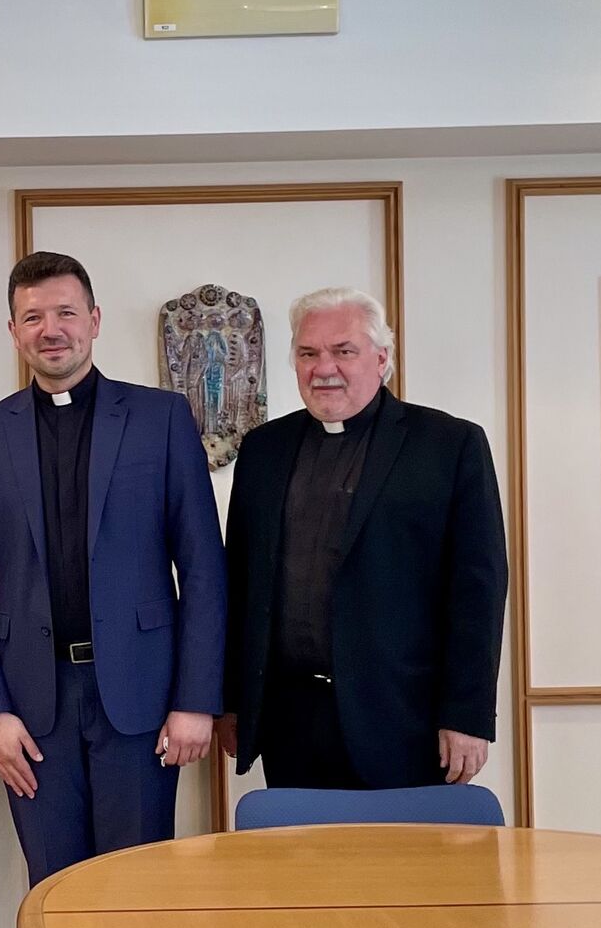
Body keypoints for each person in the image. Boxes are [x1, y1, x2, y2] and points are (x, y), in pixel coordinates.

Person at [0, 251, 226, 886]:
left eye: (65, 312)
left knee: (139, 890)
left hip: (141, 700)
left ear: (93, 320)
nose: (51, 329)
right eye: (32, 316)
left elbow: (203, 566)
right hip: (30, 707)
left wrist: (196, 699)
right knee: (56, 891)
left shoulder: (162, 419)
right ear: (13, 331)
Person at [217, 286, 509, 789]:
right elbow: (238, 584)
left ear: (382, 359)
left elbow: (478, 590)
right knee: (301, 867)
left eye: (343, 351)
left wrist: (467, 714)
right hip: (291, 720)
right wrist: (229, 701)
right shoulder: (264, 449)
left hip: (406, 719)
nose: (323, 367)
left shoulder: (449, 444)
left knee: (403, 867)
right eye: (308, 353)